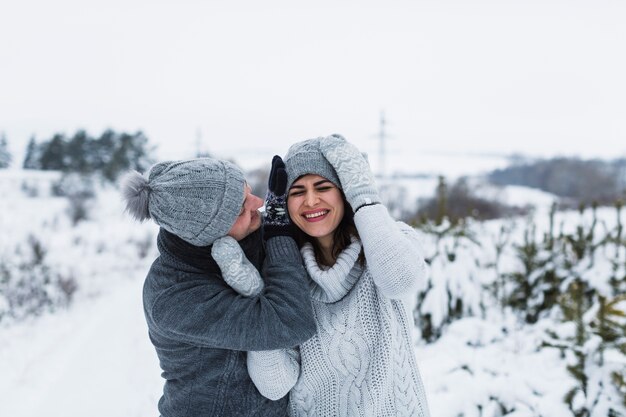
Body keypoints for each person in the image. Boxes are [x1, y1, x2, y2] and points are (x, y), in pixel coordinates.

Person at [236, 135, 431, 417]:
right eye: (297, 191)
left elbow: (400, 281)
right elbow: (274, 384)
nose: (311, 201)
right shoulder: (284, 275)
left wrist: (363, 195)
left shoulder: (390, 240)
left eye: (323, 186)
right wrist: (258, 294)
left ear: (344, 190)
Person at [120, 157, 316, 417]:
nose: (259, 203)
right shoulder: (173, 297)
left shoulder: (239, 237)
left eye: (247, 190)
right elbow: (290, 321)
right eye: (239, 208)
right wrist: (278, 230)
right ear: (208, 232)